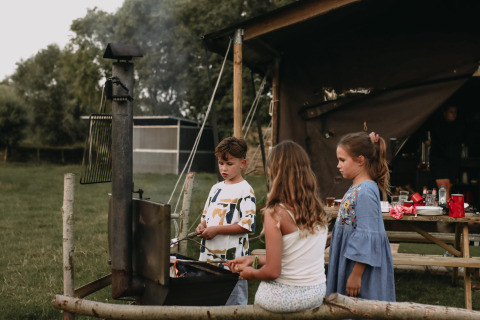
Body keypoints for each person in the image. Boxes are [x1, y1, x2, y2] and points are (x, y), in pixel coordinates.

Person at [226, 140, 328, 312]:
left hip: (288, 297)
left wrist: (252, 274)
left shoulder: (275, 213)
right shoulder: (317, 208)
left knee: (259, 297)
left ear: (275, 172)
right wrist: (253, 259)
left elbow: (273, 271)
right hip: (316, 292)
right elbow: (295, 256)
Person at [326, 131, 395, 302]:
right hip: (348, 258)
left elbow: (369, 234)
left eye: (342, 160)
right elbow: (352, 224)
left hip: (360, 268)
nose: (338, 165)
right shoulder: (356, 187)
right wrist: (332, 237)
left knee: (361, 307)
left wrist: (356, 274)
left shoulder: (365, 192)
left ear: (360, 160)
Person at [195, 136, 256, 305]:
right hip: (209, 259)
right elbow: (205, 218)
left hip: (233, 261)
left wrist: (218, 230)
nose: (224, 168)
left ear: (242, 164)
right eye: (221, 163)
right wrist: (202, 227)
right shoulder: (216, 188)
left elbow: (247, 225)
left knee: (233, 303)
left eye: (230, 164)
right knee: (210, 302)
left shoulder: (245, 190)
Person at [428, 105, 464, 199]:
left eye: (455, 112)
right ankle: (447, 208)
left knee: (448, 186)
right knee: (444, 187)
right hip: (439, 159)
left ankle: (447, 207)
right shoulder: (437, 124)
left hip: (453, 160)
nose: (454, 115)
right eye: (451, 112)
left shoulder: (458, 126)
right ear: (445, 113)